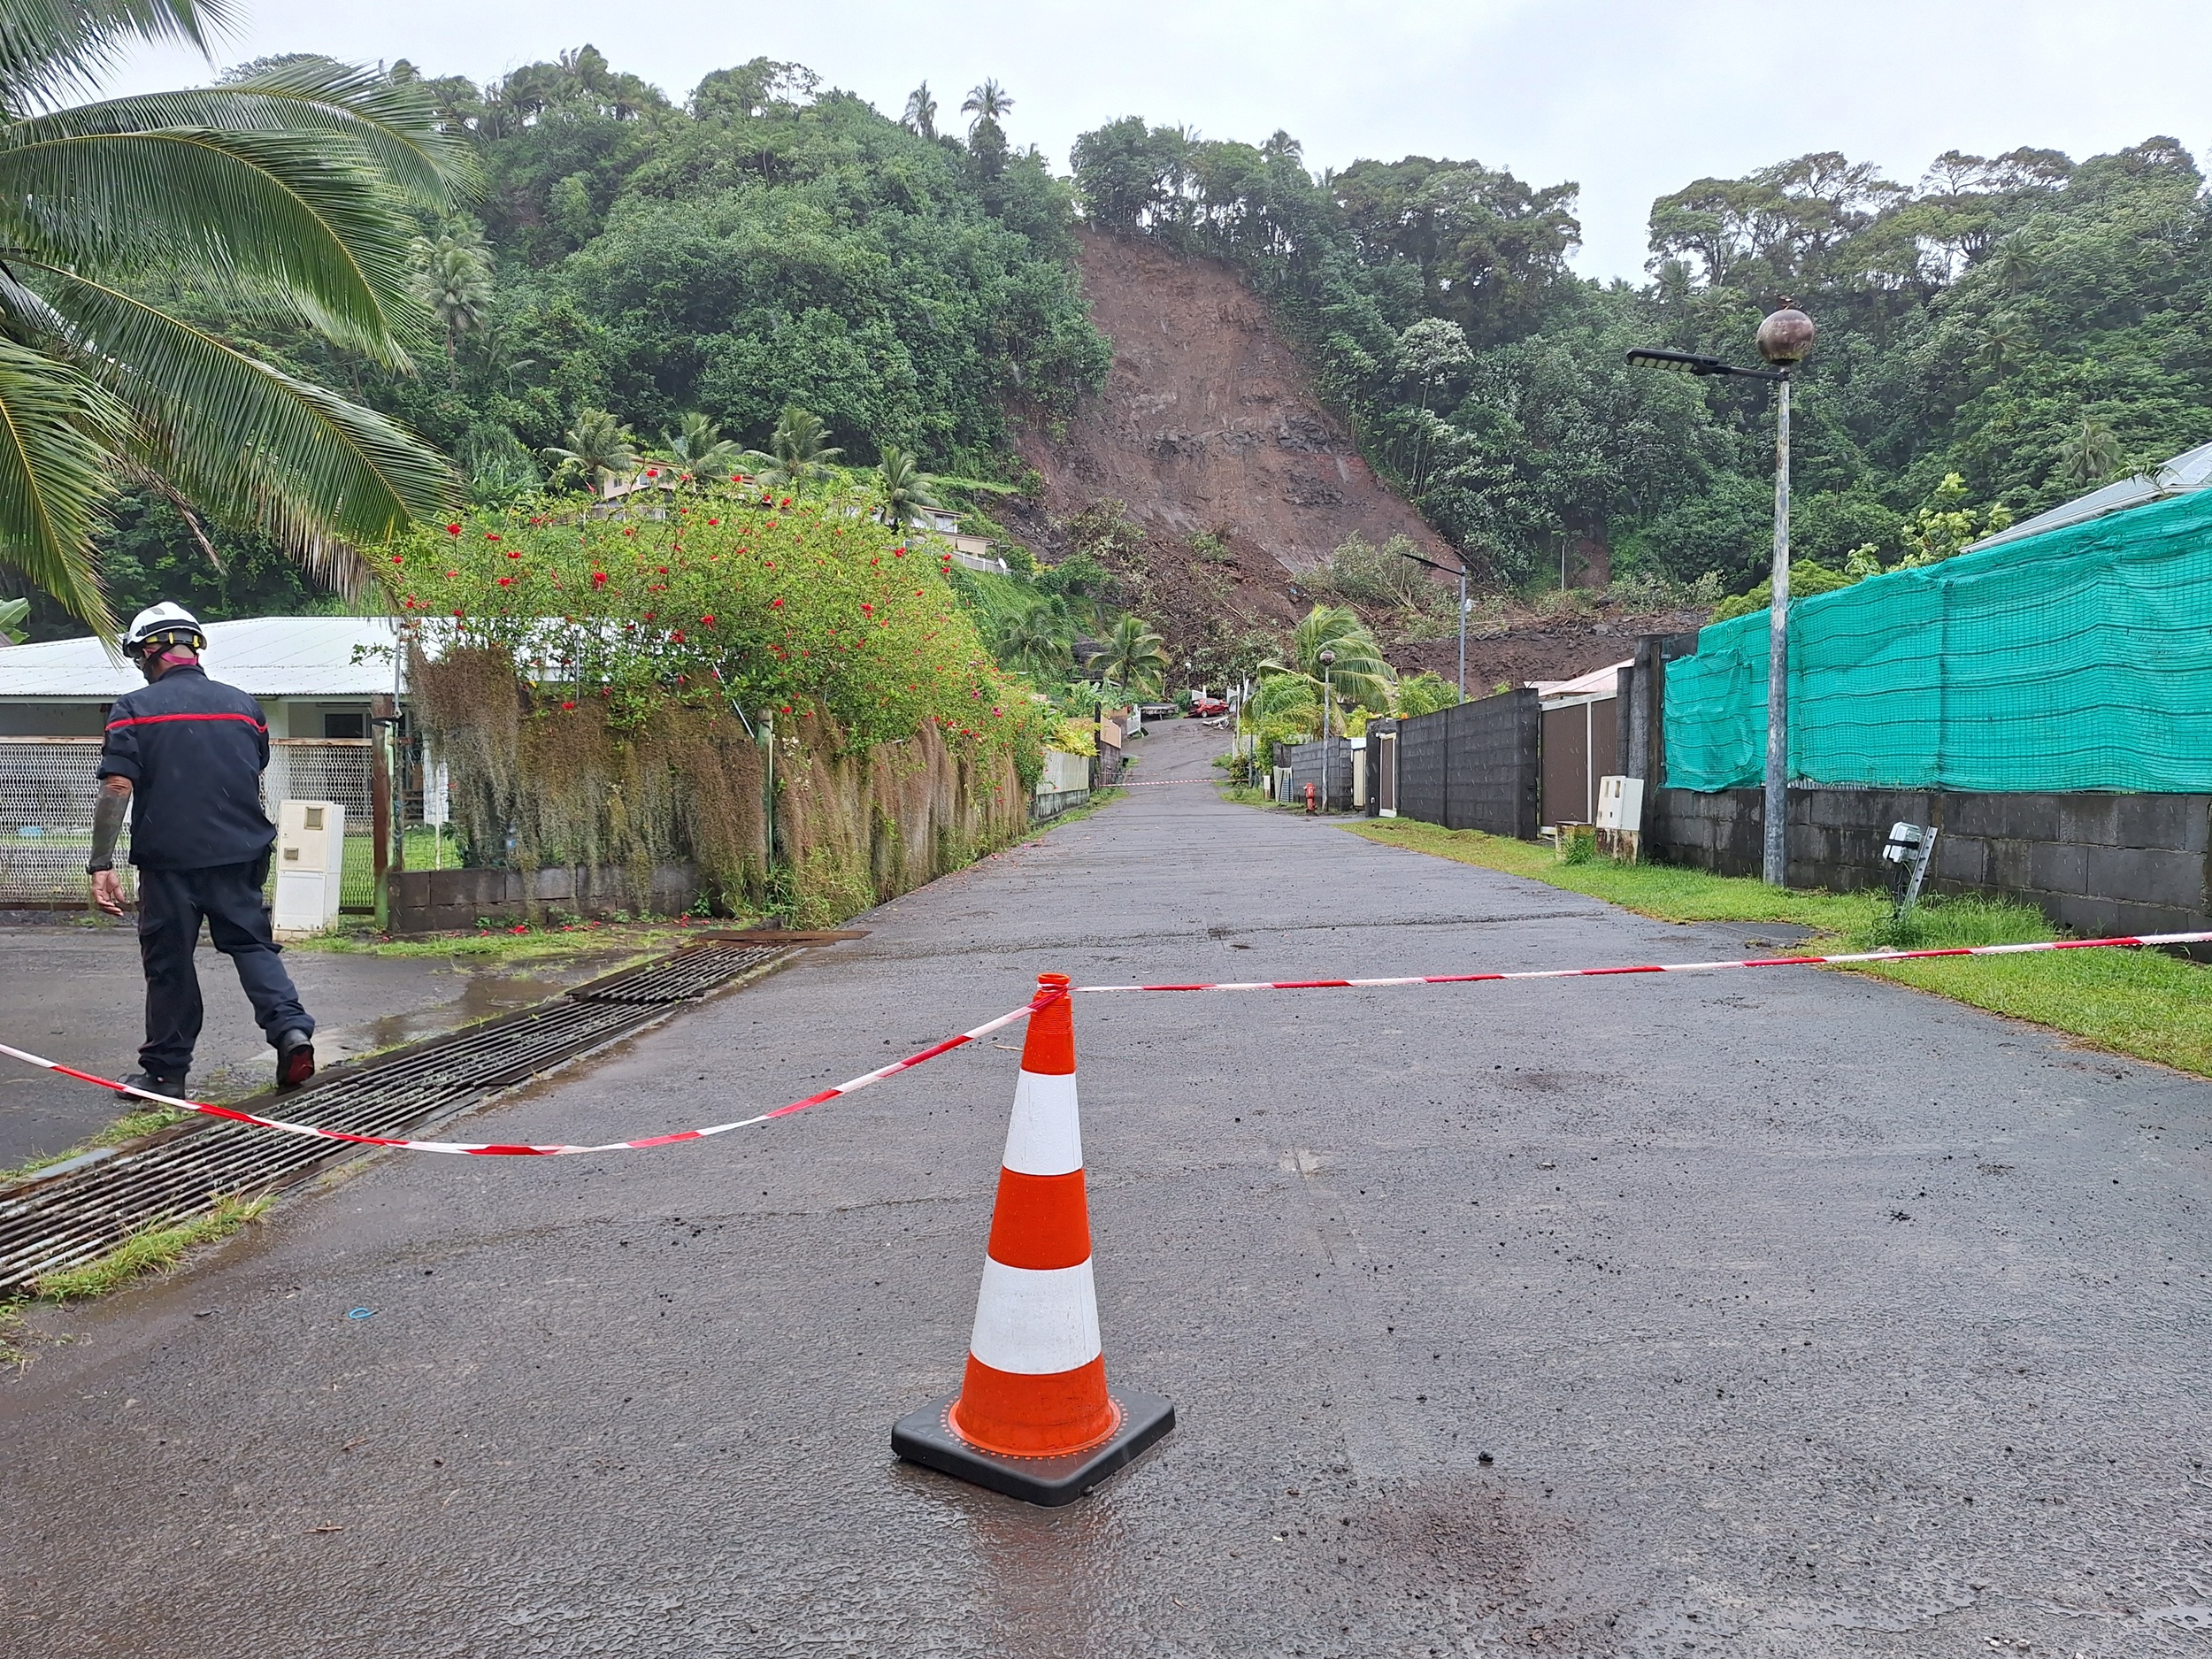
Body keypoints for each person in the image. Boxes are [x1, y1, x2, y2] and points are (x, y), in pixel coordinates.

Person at [87, 603, 316, 1095]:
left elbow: (118, 787)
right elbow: (251, 767)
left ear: (151, 652)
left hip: (169, 860)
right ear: (193, 647)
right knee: (252, 945)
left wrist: (100, 862)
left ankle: (166, 1073)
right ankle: (291, 1032)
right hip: (240, 852)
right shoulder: (243, 706)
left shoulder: (133, 709)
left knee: (170, 962)